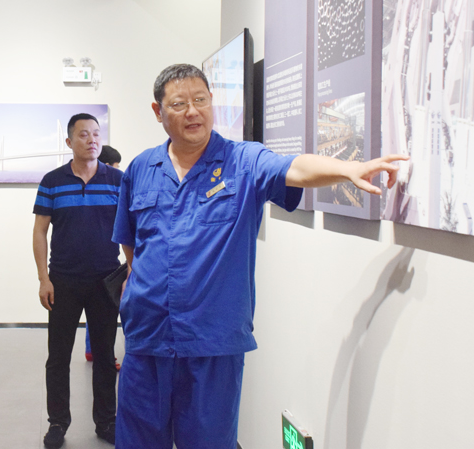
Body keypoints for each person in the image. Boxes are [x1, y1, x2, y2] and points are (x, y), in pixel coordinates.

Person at [112, 64, 408, 449]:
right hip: (146, 338)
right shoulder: (141, 168)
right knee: (137, 441)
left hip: (212, 342)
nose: (193, 112)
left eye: (200, 100)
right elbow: (131, 243)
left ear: (211, 101)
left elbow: (294, 168)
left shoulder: (243, 161)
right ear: (158, 112)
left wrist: (348, 168)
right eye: (179, 104)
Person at [33, 113, 123, 448]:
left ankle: (107, 421)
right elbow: (40, 232)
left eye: (96, 134)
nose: (92, 140)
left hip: (106, 281)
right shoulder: (52, 181)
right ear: (69, 141)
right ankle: (57, 423)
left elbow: (132, 229)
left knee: (105, 355)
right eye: (84, 134)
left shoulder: (118, 180)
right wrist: (43, 278)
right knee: (58, 357)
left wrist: (131, 271)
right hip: (63, 281)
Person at [85, 144, 123, 363]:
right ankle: (101, 353)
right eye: (116, 166)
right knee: (102, 312)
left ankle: (93, 350)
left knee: (96, 312)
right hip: (103, 263)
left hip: (105, 260)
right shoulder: (110, 186)